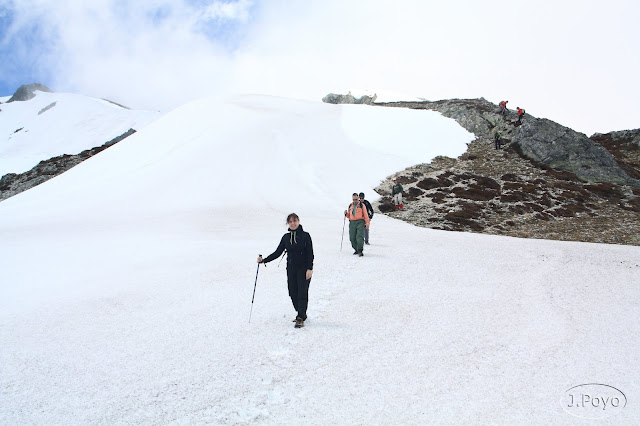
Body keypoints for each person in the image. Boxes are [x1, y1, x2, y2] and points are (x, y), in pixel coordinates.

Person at [257, 213, 314, 328]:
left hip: (303, 269)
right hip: (291, 268)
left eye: (295, 221)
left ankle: (300, 316)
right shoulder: (286, 237)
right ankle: (301, 312)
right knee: (292, 292)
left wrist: (310, 269)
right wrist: (264, 260)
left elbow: (310, 253)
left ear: (299, 221)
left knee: (302, 292)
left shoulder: (305, 236)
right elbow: (278, 252)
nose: (293, 223)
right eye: (290, 221)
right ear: (288, 223)